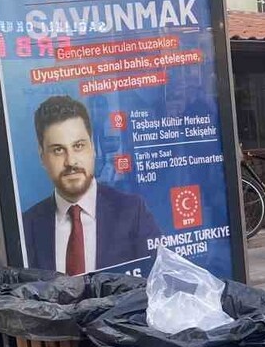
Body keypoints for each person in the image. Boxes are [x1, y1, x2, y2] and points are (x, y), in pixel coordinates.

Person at [22, 95, 161, 275]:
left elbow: (160, 286)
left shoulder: (133, 213)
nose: (71, 161)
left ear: (93, 148)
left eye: (78, 146)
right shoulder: (27, 227)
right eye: (58, 150)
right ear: (42, 157)